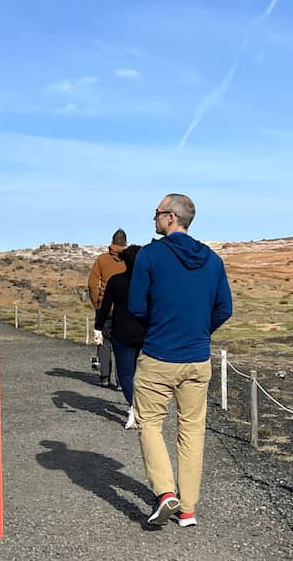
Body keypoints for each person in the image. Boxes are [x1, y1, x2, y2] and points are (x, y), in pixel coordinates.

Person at [128, 194, 232, 530]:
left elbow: (136, 306)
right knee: (192, 431)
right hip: (198, 359)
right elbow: (224, 309)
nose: (154, 219)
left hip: (158, 356)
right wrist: (199, 330)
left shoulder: (150, 255)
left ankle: (165, 493)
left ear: (171, 218)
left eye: (157, 214)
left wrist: (161, 328)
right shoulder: (213, 260)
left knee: (150, 424)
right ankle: (187, 509)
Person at [93, 244, 147, 429]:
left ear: (124, 260)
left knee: (125, 373)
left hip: (122, 333)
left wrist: (98, 328)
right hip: (146, 334)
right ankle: (144, 409)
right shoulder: (150, 282)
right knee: (144, 373)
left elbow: (105, 307)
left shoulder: (116, 281)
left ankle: (133, 407)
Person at [86, 228, 127, 387]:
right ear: (125, 243)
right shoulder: (129, 260)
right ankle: (122, 381)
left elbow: (92, 284)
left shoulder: (102, 259)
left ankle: (104, 377)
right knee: (122, 343)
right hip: (124, 309)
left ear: (111, 242)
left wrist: (97, 303)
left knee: (103, 342)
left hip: (105, 307)